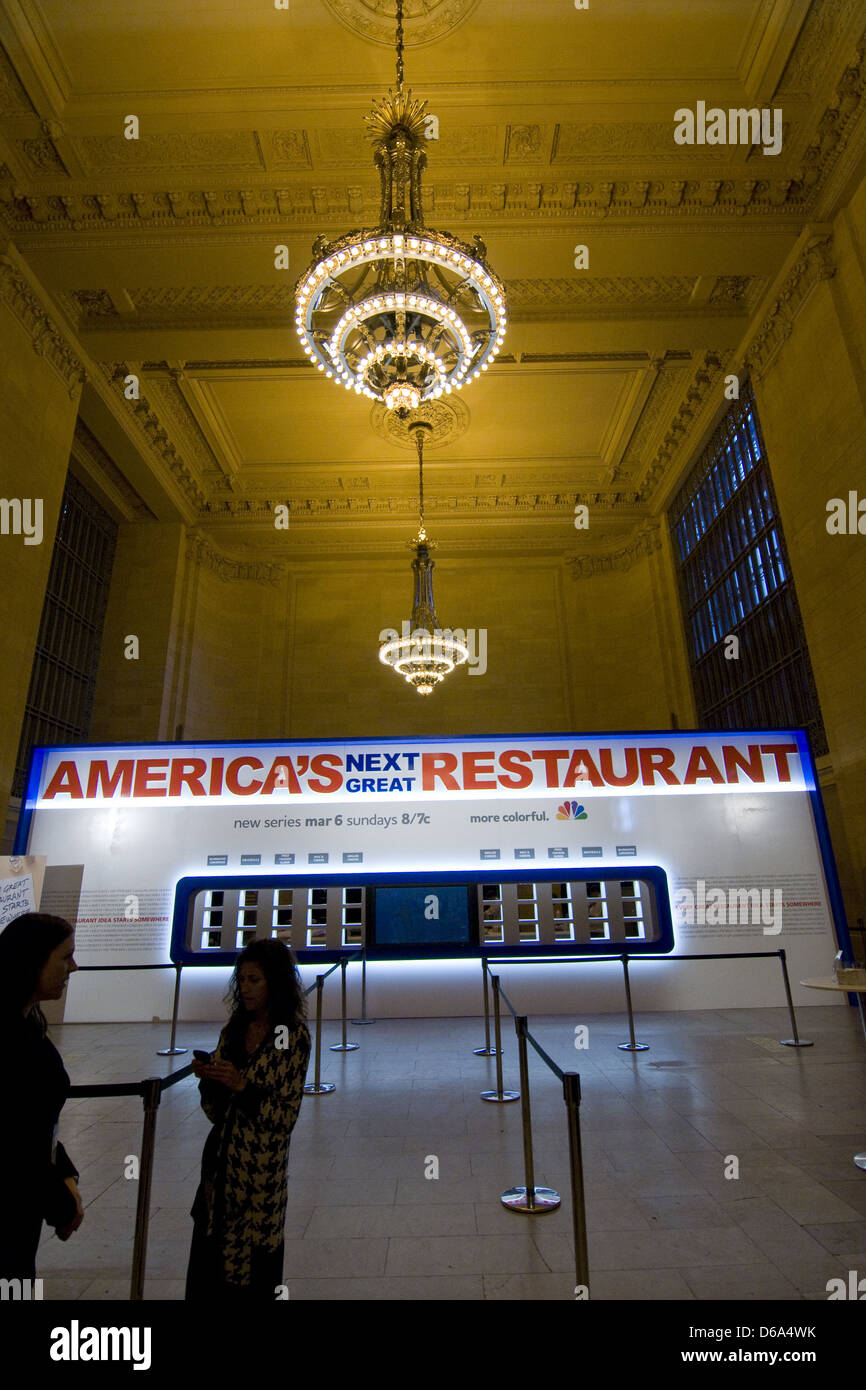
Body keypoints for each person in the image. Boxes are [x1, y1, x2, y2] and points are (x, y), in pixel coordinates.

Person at [186, 938, 311, 1299]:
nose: (246, 988)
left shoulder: (291, 1038)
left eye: (255, 980)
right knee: (210, 1270)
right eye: (242, 980)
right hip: (221, 1172)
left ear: (275, 981)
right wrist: (211, 1081)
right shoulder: (233, 1031)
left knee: (256, 1272)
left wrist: (243, 1086)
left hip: (260, 1178)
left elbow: (284, 1116)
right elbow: (215, 1113)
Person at [0, 912, 84, 1281]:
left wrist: (63, 1172)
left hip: (21, 1214)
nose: (74, 966)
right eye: (65, 957)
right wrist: (61, 1204)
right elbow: (14, 1143)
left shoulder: (25, 1021)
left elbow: (35, 1125)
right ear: (33, 959)